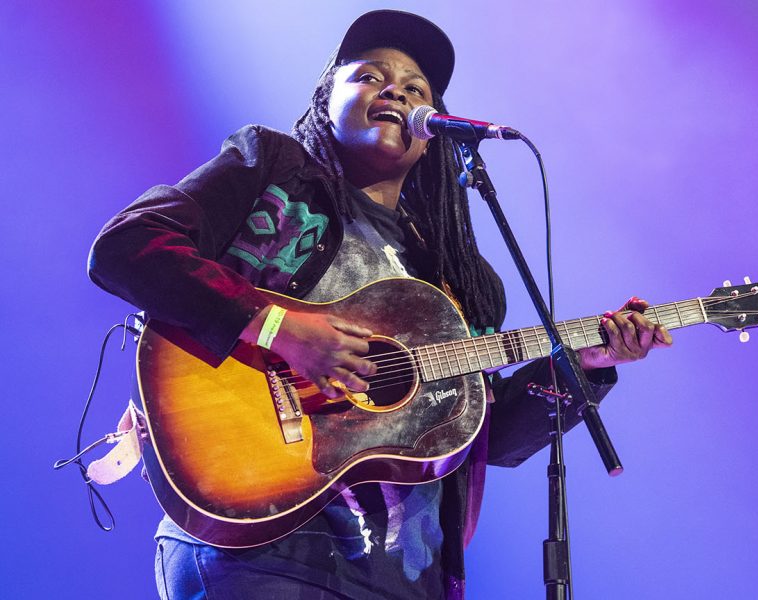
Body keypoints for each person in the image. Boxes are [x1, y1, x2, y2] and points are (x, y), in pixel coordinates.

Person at [88, 10, 670, 599]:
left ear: (432, 135)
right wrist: (278, 329)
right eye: (370, 76)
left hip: (405, 577)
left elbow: (485, 434)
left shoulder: (463, 281)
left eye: (416, 89)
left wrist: (587, 367)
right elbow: (127, 246)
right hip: (260, 550)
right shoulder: (271, 168)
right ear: (326, 98)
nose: (396, 90)